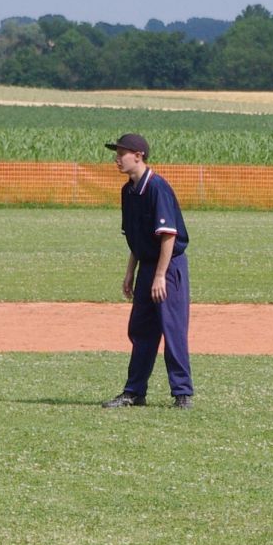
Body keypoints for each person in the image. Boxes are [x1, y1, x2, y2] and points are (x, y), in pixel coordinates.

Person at [102, 134, 194, 409]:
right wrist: (130, 272)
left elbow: (168, 235)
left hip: (168, 267)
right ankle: (134, 392)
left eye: (122, 153)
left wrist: (160, 275)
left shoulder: (156, 188)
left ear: (138, 155)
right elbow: (136, 237)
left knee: (172, 329)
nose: (117, 158)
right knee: (141, 329)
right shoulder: (128, 191)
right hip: (146, 266)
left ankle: (182, 393)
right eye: (117, 153)